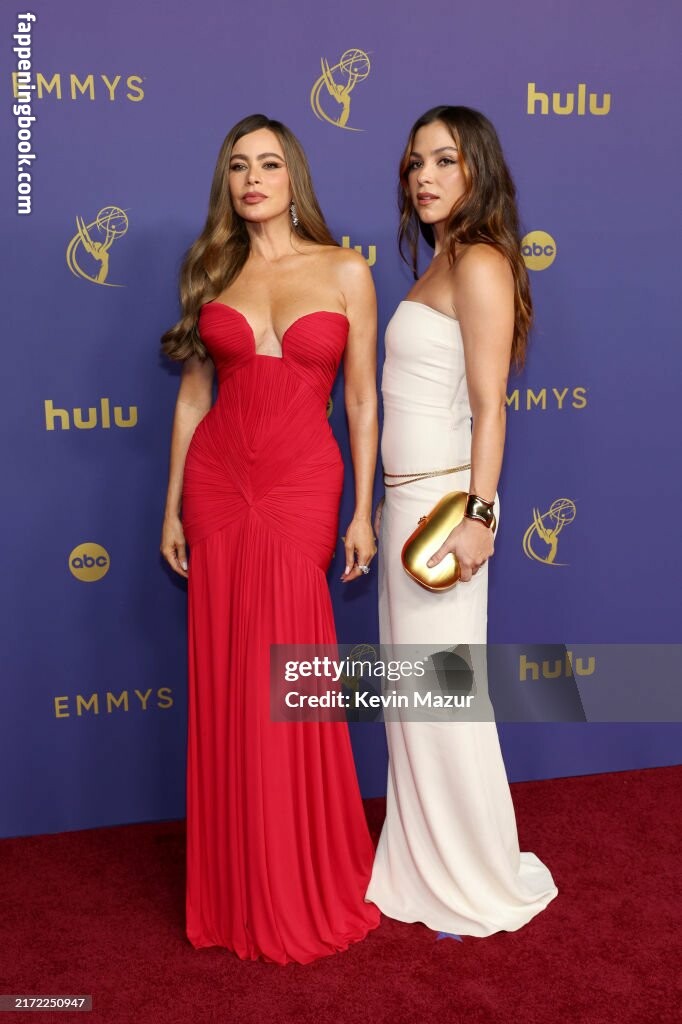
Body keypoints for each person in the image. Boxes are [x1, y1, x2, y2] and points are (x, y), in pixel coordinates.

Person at [160, 114, 380, 964]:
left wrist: (363, 510)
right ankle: (236, 882)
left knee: (290, 671)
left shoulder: (346, 269)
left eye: (270, 164)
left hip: (300, 483)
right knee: (231, 672)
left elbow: (360, 399)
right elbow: (193, 399)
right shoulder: (213, 271)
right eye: (239, 166)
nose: (253, 178)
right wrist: (171, 507)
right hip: (218, 485)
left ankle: (300, 872)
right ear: (228, 182)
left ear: (295, 180)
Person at [366, 106, 558, 935]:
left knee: (443, 698)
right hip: (406, 504)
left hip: (447, 510)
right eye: (416, 163)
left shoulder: (479, 261)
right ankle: (424, 863)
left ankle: (469, 874)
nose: (426, 176)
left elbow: (491, 406)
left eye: (444, 160)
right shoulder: (440, 260)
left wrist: (479, 517)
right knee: (416, 699)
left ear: (478, 167)